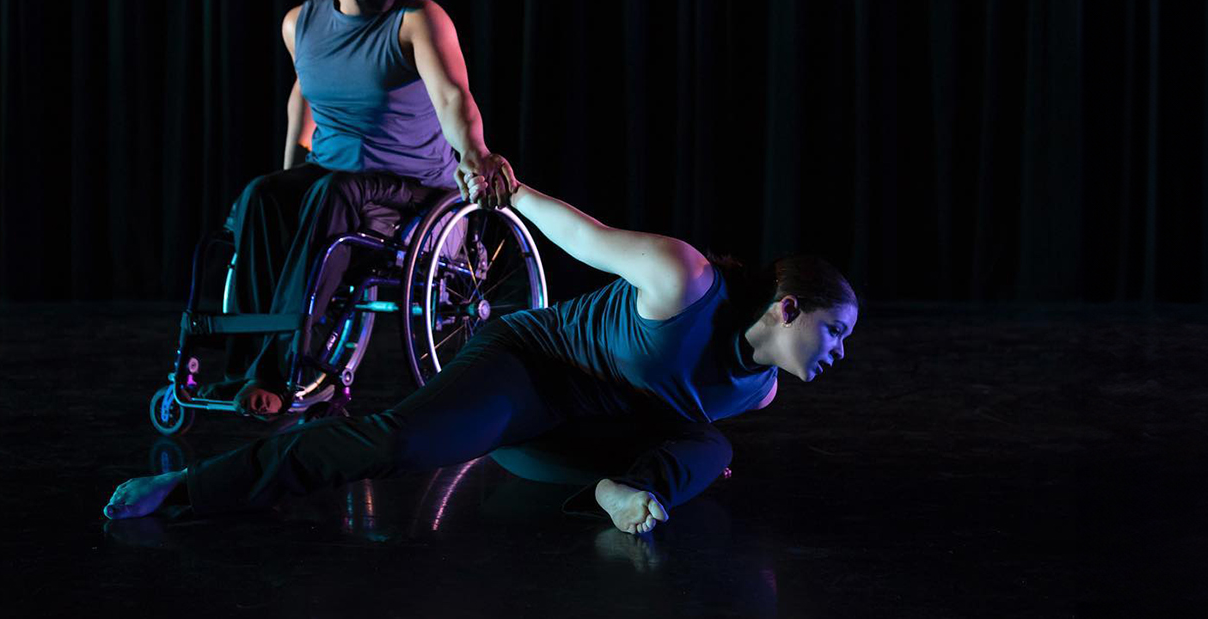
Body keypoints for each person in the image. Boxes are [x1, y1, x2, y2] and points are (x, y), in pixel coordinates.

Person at [106, 179, 859, 535]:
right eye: (835, 331)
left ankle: (616, 495)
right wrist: (507, 189)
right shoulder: (683, 279)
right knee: (395, 443)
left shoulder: (758, 393)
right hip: (529, 377)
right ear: (788, 307)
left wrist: (677, 462)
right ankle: (185, 487)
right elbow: (581, 232)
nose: (839, 352)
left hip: (582, 447)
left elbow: (674, 420)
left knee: (711, 446)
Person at [212, 0, 515, 419]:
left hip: (412, 190)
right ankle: (250, 364)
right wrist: (290, 179)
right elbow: (301, 98)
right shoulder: (300, 24)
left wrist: (475, 152)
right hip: (336, 179)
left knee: (332, 192)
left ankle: (295, 368)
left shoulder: (418, 19)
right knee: (264, 195)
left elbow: (452, 96)